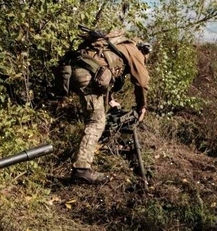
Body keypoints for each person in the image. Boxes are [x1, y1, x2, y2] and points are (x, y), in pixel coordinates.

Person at [61, 27, 150, 184]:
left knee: (94, 118)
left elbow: (103, 71)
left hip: (76, 71)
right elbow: (142, 82)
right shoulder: (134, 51)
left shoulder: (113, 46)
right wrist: (142, 106)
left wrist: (110, 100)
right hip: (87, 76)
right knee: (96, 122)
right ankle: (81, 170)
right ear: (143, 49)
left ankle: (84, 159)